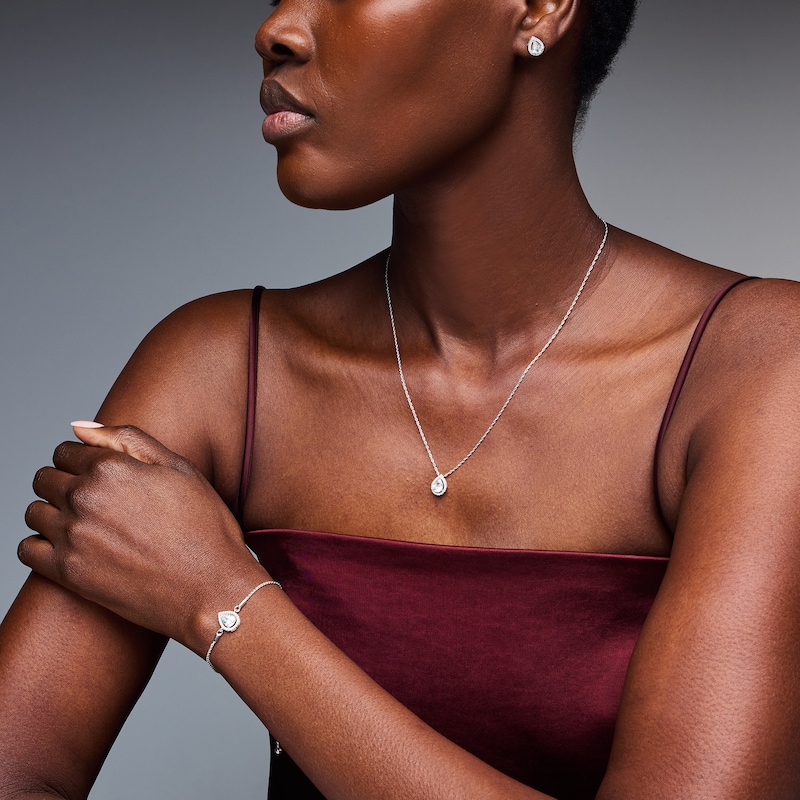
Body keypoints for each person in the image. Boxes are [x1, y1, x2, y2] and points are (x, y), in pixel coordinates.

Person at [2, 0, 800, 797]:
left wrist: (225, 604)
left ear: (540, 10)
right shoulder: (223, 369)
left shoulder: (755, 368)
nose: (276, 29)